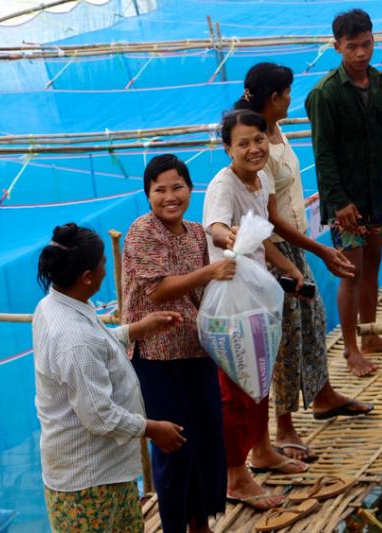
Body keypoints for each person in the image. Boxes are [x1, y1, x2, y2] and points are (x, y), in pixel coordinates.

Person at [234, 62, 374, 463]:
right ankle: (284, 426)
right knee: (285, 338)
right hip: (275, 249)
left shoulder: (273, 132)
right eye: (287, 93)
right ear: (275, 97)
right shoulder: (256, 140)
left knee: (312, 321)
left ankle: (322, 393)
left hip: (296, 242)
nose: (291, 99)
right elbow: (267, 216)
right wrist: (318, 251)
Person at [33, 223, 185, 533]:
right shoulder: (73, 338)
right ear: (87, 276)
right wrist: (152, 429)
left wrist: (135, 330)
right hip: (90, 485)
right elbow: (99, 416)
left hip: (104, 471)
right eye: (103, 262)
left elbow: (96, 346)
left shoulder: (54, 305)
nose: (106, 269)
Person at [122, 155, 236, 533]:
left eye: (178, 187)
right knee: (173, 444)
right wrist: (212, 271)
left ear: (190, 189)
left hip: (196, 347)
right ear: (147, 194)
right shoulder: (142, 230)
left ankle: (199, 522)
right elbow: (157, 291)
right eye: (160, 190)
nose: (170, 197)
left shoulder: (194, 232)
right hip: (156, 355)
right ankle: (175, 526)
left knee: (205, 438)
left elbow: (201, 292)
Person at [202, 109, 309, 510]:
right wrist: (225, 233)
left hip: (256, 297)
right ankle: (235, 475)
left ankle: (262, 450)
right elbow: (215, 226)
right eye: (242, 143)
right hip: (230, 302)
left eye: (259, 140)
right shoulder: (222, 186)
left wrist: (289, 268)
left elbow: (262, 236)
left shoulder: (262, 178)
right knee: (233, 390)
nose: (253, 149)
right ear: (227, 148)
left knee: (259, 378)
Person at [306, 9, 382, 378]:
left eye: (367, 45)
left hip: (375, 195)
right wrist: (338, 202)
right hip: (345, 203)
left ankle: (370, 335)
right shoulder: (325, 94)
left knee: (373, 264)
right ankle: (351, 350)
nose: (361, 53)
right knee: (350, 272)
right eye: (352, 47)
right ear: (337, 47)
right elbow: (324, 154)